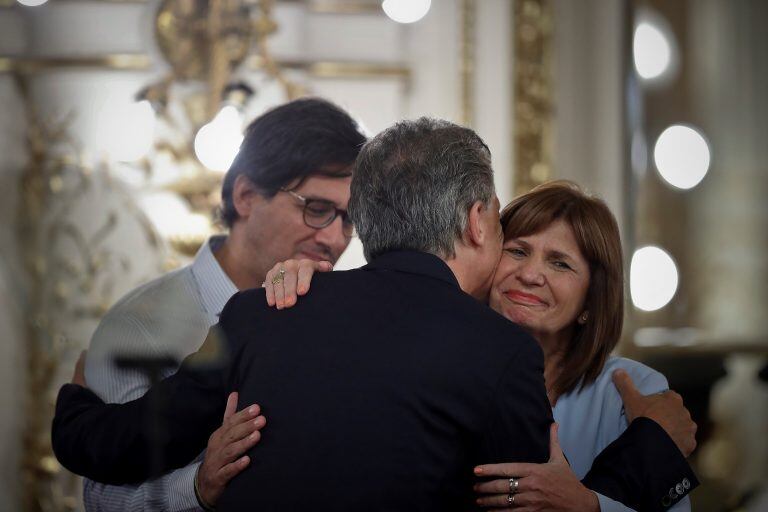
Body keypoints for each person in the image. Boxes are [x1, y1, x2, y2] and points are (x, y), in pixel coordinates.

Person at [53, 120, 695, 511]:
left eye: (560, 264)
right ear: (476, 222)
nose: (525, 268)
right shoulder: (499, 354)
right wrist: (654, 453)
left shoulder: (260, 314)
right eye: (508, 232)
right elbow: (523, 507)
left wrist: (75, 408)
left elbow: (122, 444)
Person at [263, 181, 698, 511]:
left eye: (559, 262)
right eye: (518, 251)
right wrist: (307, 287)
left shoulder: (634, 390)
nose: (530, 274)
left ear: (591, 300)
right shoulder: (427, 356)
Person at [78, 97, 367, 511]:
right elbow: (101, 497)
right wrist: (199, 486)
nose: (336, 239)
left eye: (349, 218)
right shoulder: (139, 325)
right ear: (246, 195)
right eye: (317, 209)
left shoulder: (336, 318)